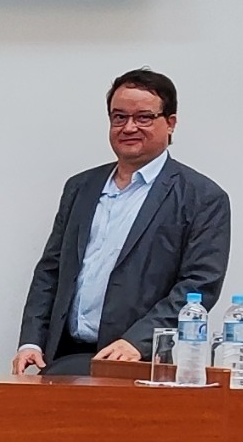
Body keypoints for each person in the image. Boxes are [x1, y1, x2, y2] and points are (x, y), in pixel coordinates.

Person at [12, 68, 230, 374]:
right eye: (119, 117)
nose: (129, 127)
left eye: (143, 118)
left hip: (139, 360)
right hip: (62, 356)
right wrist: (31, 341)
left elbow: (199, 285)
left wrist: (136, 342)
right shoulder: (81, 187)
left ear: (170, 123)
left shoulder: (202, 197)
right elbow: (51, 269)